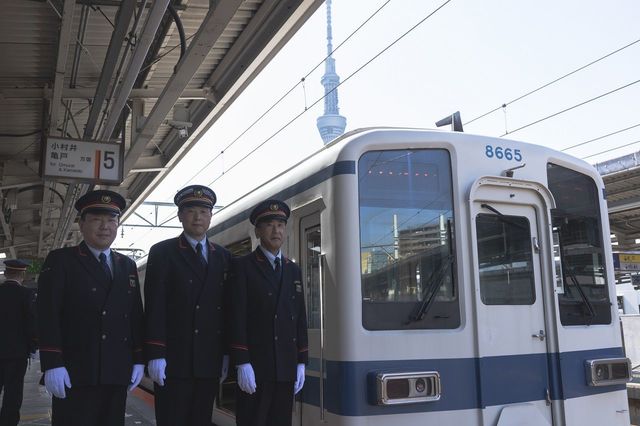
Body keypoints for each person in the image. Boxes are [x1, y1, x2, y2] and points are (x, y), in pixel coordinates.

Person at [37, 190, 145, 426]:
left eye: (111, 220)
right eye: (97, 219)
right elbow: (48, 313)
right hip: (75, 370)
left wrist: (139, 358)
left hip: (116, 371)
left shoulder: (126, 264)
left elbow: (134, 314)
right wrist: (52, 363)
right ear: (81, 223)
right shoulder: (61, 260)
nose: (105, 227)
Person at [144, 184, 231, 426]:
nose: (198, 217)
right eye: (191, 211)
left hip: (208, 359)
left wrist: (225, 352)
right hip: (174, 359)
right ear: (180, 216)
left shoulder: (223, 257)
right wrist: (156, 353)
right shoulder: (163, 252)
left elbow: (227, 309)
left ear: (211, 216)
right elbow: (155, 305)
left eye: (204, 212)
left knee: (201, 419)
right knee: (173, 419)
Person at [231, 199, 308, 426]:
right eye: (269, 225)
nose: (276, 230)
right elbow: (236, 316)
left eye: (281, 225)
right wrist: (242, 362)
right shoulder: (243, 266)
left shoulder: (292, 269)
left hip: (285, 368)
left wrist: (301, 360)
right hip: (256, 367)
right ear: (257, 230)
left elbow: (299, 317)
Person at [0, 259, 37, 426]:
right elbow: (31, 323)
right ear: (22, 275)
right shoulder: (26, 294)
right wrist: (33, 346)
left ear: (6, 273)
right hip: (17, 352)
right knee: (13, 391)